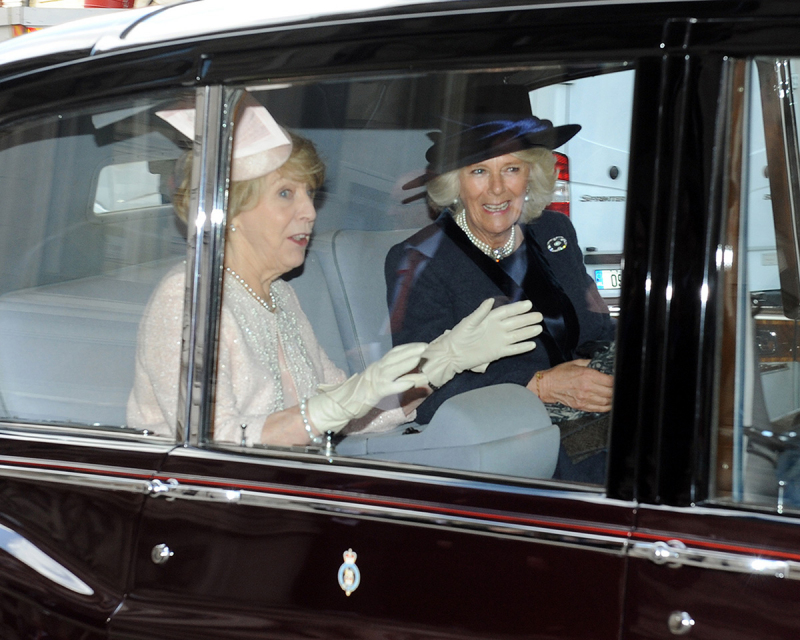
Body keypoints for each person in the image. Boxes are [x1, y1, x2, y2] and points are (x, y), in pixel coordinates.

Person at [127, 97, 543, 447]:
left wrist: (443, 360)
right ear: (233, 209)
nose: (309, 212)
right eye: (286, 194)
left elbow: (360, 409)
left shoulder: (278, 297)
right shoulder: (188, 298)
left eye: (309, 194)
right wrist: (334, 407)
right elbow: (212, 442)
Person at [386, 112, 616, 482]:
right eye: (478, 171)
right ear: (454, 183)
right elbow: (419, 384)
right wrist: (540, 384)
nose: (497, 189)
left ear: (531, 176)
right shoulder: (419, 259)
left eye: (511, 169)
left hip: (597, 417)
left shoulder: (554, 231)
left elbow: (599, 329)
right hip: (515, 437)